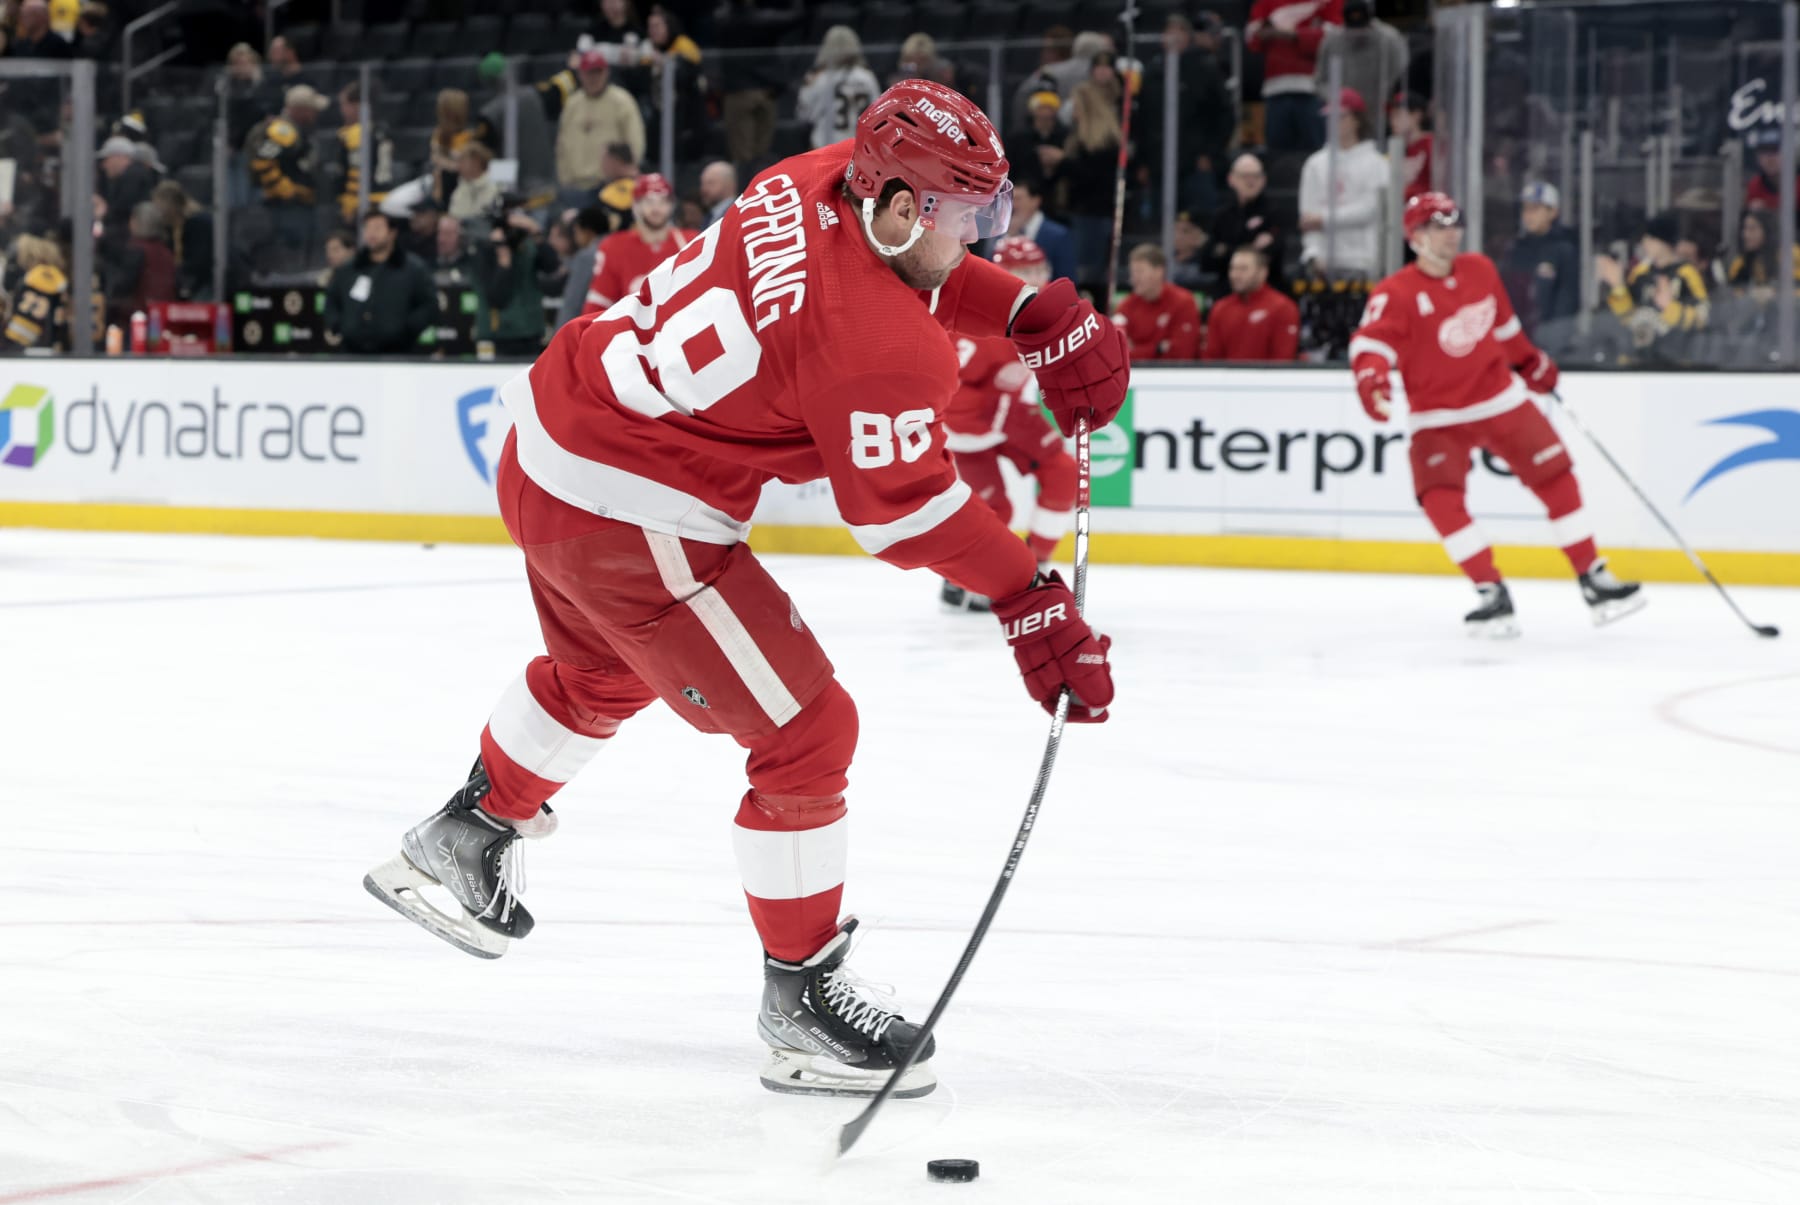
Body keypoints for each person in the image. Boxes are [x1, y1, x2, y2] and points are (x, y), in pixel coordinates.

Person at [362, 79, 1125, 1100]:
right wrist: (1026, 595)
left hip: (548, 434)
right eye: (964, 214)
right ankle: (802, 999)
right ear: (896, 204)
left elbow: (908, 277)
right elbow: (899, 514)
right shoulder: (877, 348)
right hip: (633, 512)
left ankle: (465, 833)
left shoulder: (814, 176)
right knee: (807, 731)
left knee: (601, 672)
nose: (979, 232)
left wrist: (1025, 311)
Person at [1350, 192, 1644, 636]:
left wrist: (1530, 362)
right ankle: (1491, 591)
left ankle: (1592, 576)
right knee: (1438, 497)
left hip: (1499, 399)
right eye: (1438, 225)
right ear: (1415, 237)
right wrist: (1372, 381)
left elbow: (1504, 327)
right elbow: (1370, 344)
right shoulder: (1396, 294)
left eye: (1454, 223)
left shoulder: (1480, 270)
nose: (1451, 233)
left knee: (1556, 475)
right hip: (1437, 415)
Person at [938, 237, 1079, 611]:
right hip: (970, 426)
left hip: (1004, 415)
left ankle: (1035, 567)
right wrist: (997, 406)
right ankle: (961, 578)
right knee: (995, 512)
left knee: (1063, 473)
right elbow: (952, 394)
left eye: (1039, 271)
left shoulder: (1051, 311)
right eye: (1024, 273)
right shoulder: (976, 320)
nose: (1035, 280)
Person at [1597, 211, 1710, 366]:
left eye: (1650, 238)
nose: (1644, 243)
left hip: (1676, 360)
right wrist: (1618, 287)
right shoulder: (1640, 273)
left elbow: (1703, 317)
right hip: (1639, 357)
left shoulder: (1686, 273)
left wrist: (1670, 308)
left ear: (1665, 242)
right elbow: (1627, 317)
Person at [1298, 88, 1387, 279]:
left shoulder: (1377, 164)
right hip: (1324, 265)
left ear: (1356, 120)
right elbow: (1307, 217)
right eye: (1329, 117)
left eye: (1340, 117)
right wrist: (1313, 254)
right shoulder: (1315, 164)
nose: (1333, 123)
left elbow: (1371, 209)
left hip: (1364, 262)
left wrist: (1323, 219)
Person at [579, 173, 695, 315]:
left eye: (663, 201)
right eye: (649, 202)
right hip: (633, 333)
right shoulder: (614, 246)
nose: (656, 209)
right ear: (636, 205)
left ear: (672, 205)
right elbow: (598, 303)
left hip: (679, 332)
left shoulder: (690, 243)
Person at [323, 209, 436, 355]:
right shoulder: (348, 269)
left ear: (392, 232)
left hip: (399, 355)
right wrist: (340, 326)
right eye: (367, 228)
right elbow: (332, 301)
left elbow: (429, 305)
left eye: (377, 228)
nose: (371, 233)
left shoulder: (413, 269)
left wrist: (406, 330)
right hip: (352, 355)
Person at [1248, 0, 1342, 153]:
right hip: (1275, 91)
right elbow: (1252, 37)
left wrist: (1291, 34)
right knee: (1278, 156)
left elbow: (1335, 38)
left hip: (1314, 90)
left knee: (1315, 153)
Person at [557, 50, 646, 210]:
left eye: (598, 72)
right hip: (575, 186)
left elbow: (635, 142)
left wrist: (626, 173)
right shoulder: (572, 103)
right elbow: (562, 145)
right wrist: (565, 178)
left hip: (609, 185)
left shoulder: (622, 101)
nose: (594, 78)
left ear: (606, 72)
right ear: (580, 74)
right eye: (589, 73)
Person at [1498, 181, 1579, 352]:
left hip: (1550, 343)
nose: (1528, 215)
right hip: (1518, 339)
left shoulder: (1564, 249)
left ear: (1553, 212)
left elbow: (1567, 300)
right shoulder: (1515, 249)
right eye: (1525, 209)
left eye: (1535, 209)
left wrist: (1555, 340)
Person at [1057, 81, 1123, 287]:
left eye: (1076, 107)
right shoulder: (1079, 138)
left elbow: (1093, 178)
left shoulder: (1104, 143)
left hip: (1094, 214)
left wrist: (1063, 161)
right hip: (1083, 213)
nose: (1074, 113)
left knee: (1087, 273)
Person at [1313, 0, 1407, 144]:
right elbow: (1319, 81)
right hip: (1343, 114)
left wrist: (1386, 95)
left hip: (1377, 112)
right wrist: (1339, 98)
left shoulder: (1389, 39)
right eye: (1353, 29)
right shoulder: (1332, 41)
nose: (1357, 34)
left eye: (1361, 29)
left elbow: (1401, 74)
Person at [475, 206, 558, 357]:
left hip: (530, 328)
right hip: (499, 331)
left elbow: (552, 266)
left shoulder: (527, 245)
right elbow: (495, 297)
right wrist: (503, 258)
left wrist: (536, 233)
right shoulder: (486, 247)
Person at [1202, 153, 1286, 290]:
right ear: (1231, 179)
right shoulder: (1222, 215)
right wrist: (1252, 247)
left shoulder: (1274, 213)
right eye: (1245, 176)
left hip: (1267, 289)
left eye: (1256, 176)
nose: (1250, 181)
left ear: (1264, 180)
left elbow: (1273, 255)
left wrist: (1226, 250)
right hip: (1226, 290)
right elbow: (1207, 261)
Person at [1204, 247, 1299, 361]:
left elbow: (1283, 358)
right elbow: (1211, 358)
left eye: (1243, 269)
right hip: (1227, 377)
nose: (1235, 275)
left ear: (1262, 272)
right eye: (1233, 268)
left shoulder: (1283, 308)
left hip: (1268, 377)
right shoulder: (1220, 308)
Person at [1113, 243, 1203, 360]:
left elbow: (1183, 353)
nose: (1134, 278)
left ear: (1159, 271)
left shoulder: (1183, 302)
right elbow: (1117, 354)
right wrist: (1158, 349)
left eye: (1140, 271)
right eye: (1132, 272)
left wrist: (1136, 350)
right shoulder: (1125, 306)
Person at [796, 25, 879, 150]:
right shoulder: (867, 77)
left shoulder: (820, 78)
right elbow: (878, 114)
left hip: (824, 146)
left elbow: (803, 114)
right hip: (858, 146)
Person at [335, 81, 394, 225]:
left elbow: (356, 173)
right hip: (384, 196)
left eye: (344, 104)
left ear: (356, 106)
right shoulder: (381, 129)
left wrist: (349, 206)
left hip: (364, 202)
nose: (341, 109)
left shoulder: (356, 134)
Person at [1, 233, 69, 352]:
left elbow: (19, 335)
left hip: (28, 351)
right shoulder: (53, 278)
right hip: (41, 348)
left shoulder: (39, 279)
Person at [1003, 175, 1076, 284]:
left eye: (1018, 199)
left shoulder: (1058, 235)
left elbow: (1067, 280)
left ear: (1035, 201)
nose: (1013, 205)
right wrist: (1008, 235)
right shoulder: (1001, 230)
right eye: (1011, 199)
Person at [1388, 92, 1431, 202]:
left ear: (1416, 115)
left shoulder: (1431, 145)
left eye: (1398, 114)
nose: (1393, 121)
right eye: (1391, 116)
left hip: (1426, 211)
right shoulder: (1398, 149)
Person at [448, 142, 504, 227]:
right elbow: (453, 218)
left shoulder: (495, 189)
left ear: (476, 161)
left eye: (462, 160)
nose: (458, 166)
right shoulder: (459, 190)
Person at [1169, 211, 1208, 290]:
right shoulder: (1165, 259)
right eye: (1175, 230)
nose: (1177, 236)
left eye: (1185, 231)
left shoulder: (1204, 266)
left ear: (1200, 236)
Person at [699, 160, 738, 227]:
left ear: (728, 184)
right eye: (703, 184)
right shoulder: (708, 217)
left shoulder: (737, 213)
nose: (703, 189)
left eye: (710, 183)